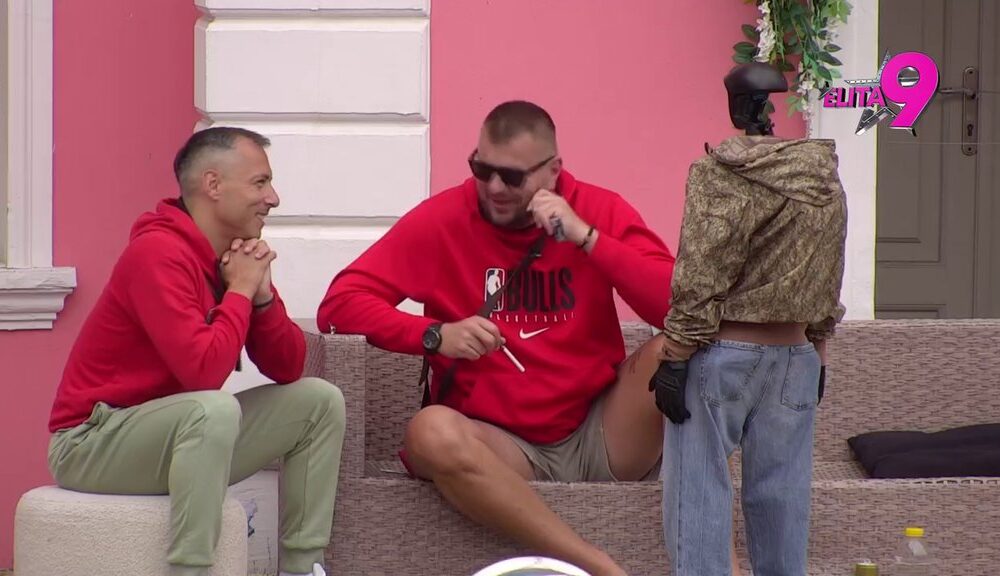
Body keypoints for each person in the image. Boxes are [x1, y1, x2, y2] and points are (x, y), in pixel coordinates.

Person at [317, 99, 677, 576]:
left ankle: (711, 545)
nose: (493, 188)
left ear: (552, 172)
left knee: (678, 351)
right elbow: (339, 304)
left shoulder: (597, 209)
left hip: (601, 431)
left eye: (511, 177)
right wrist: (434, 334)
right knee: (429, 432)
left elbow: (678, 309)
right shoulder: (445, 219)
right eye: (481, 169)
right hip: (502, 448)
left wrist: (586, 237)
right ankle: (591, 564)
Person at [48, 127, 346, 576]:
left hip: (179, 436)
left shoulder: (230, 258)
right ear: (213, 184)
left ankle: (302, 569)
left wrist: (261, 297)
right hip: (90, 444)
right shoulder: (156, 254)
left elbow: (288, 367)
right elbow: (202, 373)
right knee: (212, 409)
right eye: (260, 183)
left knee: (319, 401)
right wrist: (240, 291)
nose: (273, 198)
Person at [653, 63, 847, 576]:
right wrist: (820, 347)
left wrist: (675, 354)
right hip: (797, 356)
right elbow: (829, 266)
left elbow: (702, 267)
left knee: (698, 499)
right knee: (783, 503)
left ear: (736, 105)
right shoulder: (821, 174)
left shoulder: (719, 172)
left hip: (724, 356)